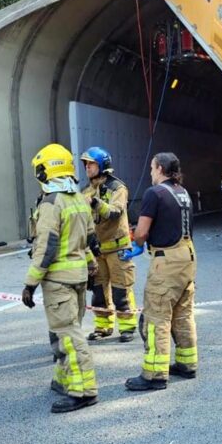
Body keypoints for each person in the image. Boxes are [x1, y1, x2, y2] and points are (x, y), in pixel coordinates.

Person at [21, 143, 99, 413]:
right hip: (77, 276)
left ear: (45, 171)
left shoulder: (51, 203)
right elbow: (88, 239)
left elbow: (45, 248)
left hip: (59, 280)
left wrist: (30, 284)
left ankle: (83, 390)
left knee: (68, 335)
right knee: (68, 329)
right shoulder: (77, 197)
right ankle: (64, 378)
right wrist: (91, 266)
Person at [121, 152, 197, 391]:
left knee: (156, 317)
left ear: (161, 168)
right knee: (183, 314)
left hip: (167, 260)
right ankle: (187, 364)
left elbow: (142, 232)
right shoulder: (182, 192)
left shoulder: (154, 193)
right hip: (187, 255)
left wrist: (137, 245)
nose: (151, 173)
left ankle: (154, 374)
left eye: (153, 168)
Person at [80, 146, 137, 343]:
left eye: (91, 163)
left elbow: (115, 212)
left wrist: (95, 203)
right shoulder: (86, 190)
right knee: (98, 291)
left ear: (102, 164)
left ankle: (127, 327)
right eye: (85, 163)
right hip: (97, 251)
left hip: (117, 248)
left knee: (121, 289)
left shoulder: (117, 188)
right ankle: (103, 327)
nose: (87, 167)